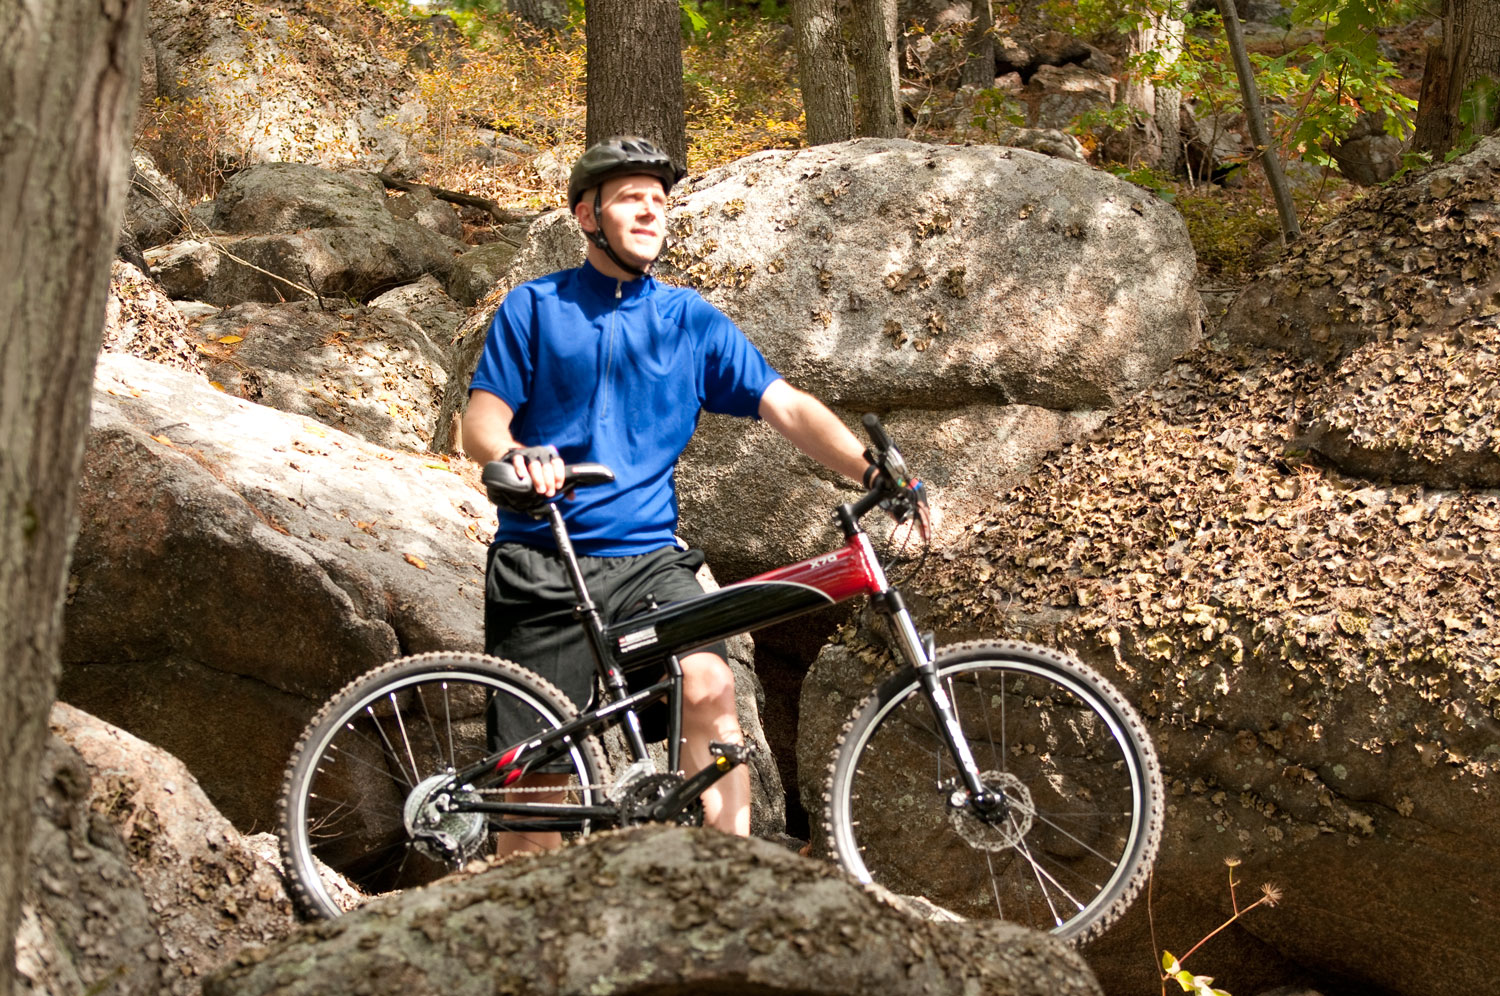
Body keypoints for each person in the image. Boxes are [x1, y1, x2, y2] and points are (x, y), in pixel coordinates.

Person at [461, 136, 871, 847]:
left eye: (659, 200)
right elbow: (480, 425)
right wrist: (517, 456)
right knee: (537, 789)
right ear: (588, 216)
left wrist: (873, 470)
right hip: (543, 560)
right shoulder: (535, 307)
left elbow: (786, 406)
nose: (651, 211)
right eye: (631, 198)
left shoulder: (690, 321)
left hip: (651, 561)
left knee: (710, 686)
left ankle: (724, 871)